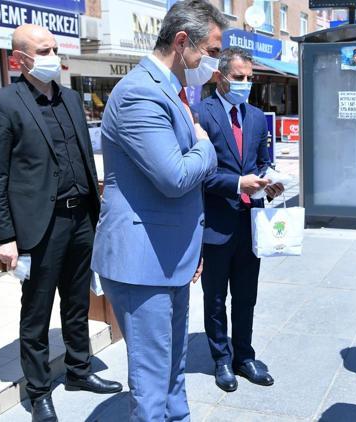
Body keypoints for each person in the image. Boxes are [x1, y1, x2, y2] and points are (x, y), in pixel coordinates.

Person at [0, 24, 122, 422]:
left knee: (78, 302)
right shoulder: (2, 103)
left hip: (81, 218)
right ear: (19, 59)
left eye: (55, 49)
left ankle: (78, 370)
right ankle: (39, 390)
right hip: (40, 225)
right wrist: (3, 236)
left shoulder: (72, 98)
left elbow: (82, 155)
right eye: (44, 50)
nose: (53, 56)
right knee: (37, 311)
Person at [90, 1, 226, 420]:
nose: (214, 63)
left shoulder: (170, 87)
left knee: (173, 369)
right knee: (151, 384)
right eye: (212, 50)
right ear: (183, 41)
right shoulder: (140, 92)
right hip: (141, 261)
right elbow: (175, 176)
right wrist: (206, 144)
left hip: (169, 255)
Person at [191, 47, 284, 392]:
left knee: (246, 296)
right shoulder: (200, 114)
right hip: (215, 224)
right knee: (215, 299)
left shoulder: (258, 117)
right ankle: (221, 359)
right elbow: (197, 173)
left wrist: (269, 183)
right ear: (220, 76)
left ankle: (244, 356)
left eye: (249, 78)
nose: (245, 83)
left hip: (250, 223)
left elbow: (261, 162)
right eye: (238, 77)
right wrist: (235, 183)